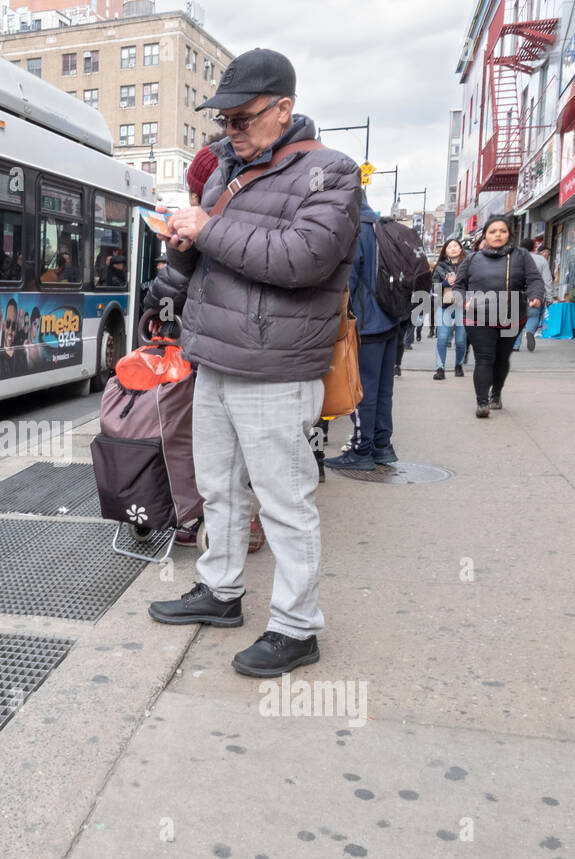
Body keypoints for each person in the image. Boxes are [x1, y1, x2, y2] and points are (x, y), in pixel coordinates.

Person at [141, 48, 362, 678]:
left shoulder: (332, 173)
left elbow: (304, 258)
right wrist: (175, 266)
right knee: (219, 489)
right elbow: (209, 254)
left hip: (277, 364)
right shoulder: (223, 172)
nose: (229, 131)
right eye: (223, 121)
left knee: (284, 501)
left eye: (241, 119)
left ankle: (297, 626)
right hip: (212, 354)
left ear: (283, 109)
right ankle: (221, 591)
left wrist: (205, 229)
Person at [323, 199, 398, 472]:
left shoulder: (354, 230)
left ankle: (361, 449)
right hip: (391, 318)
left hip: (366, 323)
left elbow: (347, 283)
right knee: (383, 390)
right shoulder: (384, 226)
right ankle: (382, 446)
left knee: (360, 389)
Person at [453, 215, 544, 417]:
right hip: (478, 317)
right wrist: (464, 300)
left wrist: (535, 296)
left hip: (511, 317)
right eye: (493, 231)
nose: (498, 235)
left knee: (502, 359)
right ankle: (482, 403)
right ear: (485, 235)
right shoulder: (472, 259)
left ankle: (496, 393)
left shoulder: (521, 256)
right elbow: (458, 286)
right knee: (484, 358)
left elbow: (534, 280)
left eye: (502, 231)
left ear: (509, 234)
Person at [431, 238, 468, 379]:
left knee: (460, 340)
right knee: (442, 338)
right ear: (445, 251)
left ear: (460, 249)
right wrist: (446, 282)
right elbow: (433, 288)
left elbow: (475, 283)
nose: (453, 248)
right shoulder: (440, 266)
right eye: (449, 246)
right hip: (445, 305)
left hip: (463, 306)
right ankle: (440, 368)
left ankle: (458, 365)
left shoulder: (468, 264)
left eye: (456, 246)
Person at [514, 238, 552, 352]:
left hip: (517, 293)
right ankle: (530, 332)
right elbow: (547, 279)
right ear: (534, 247)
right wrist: (549, 296)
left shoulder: (515, 259)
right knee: (533, 316)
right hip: (535, 292)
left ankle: (515, 345)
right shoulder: (541, 260)